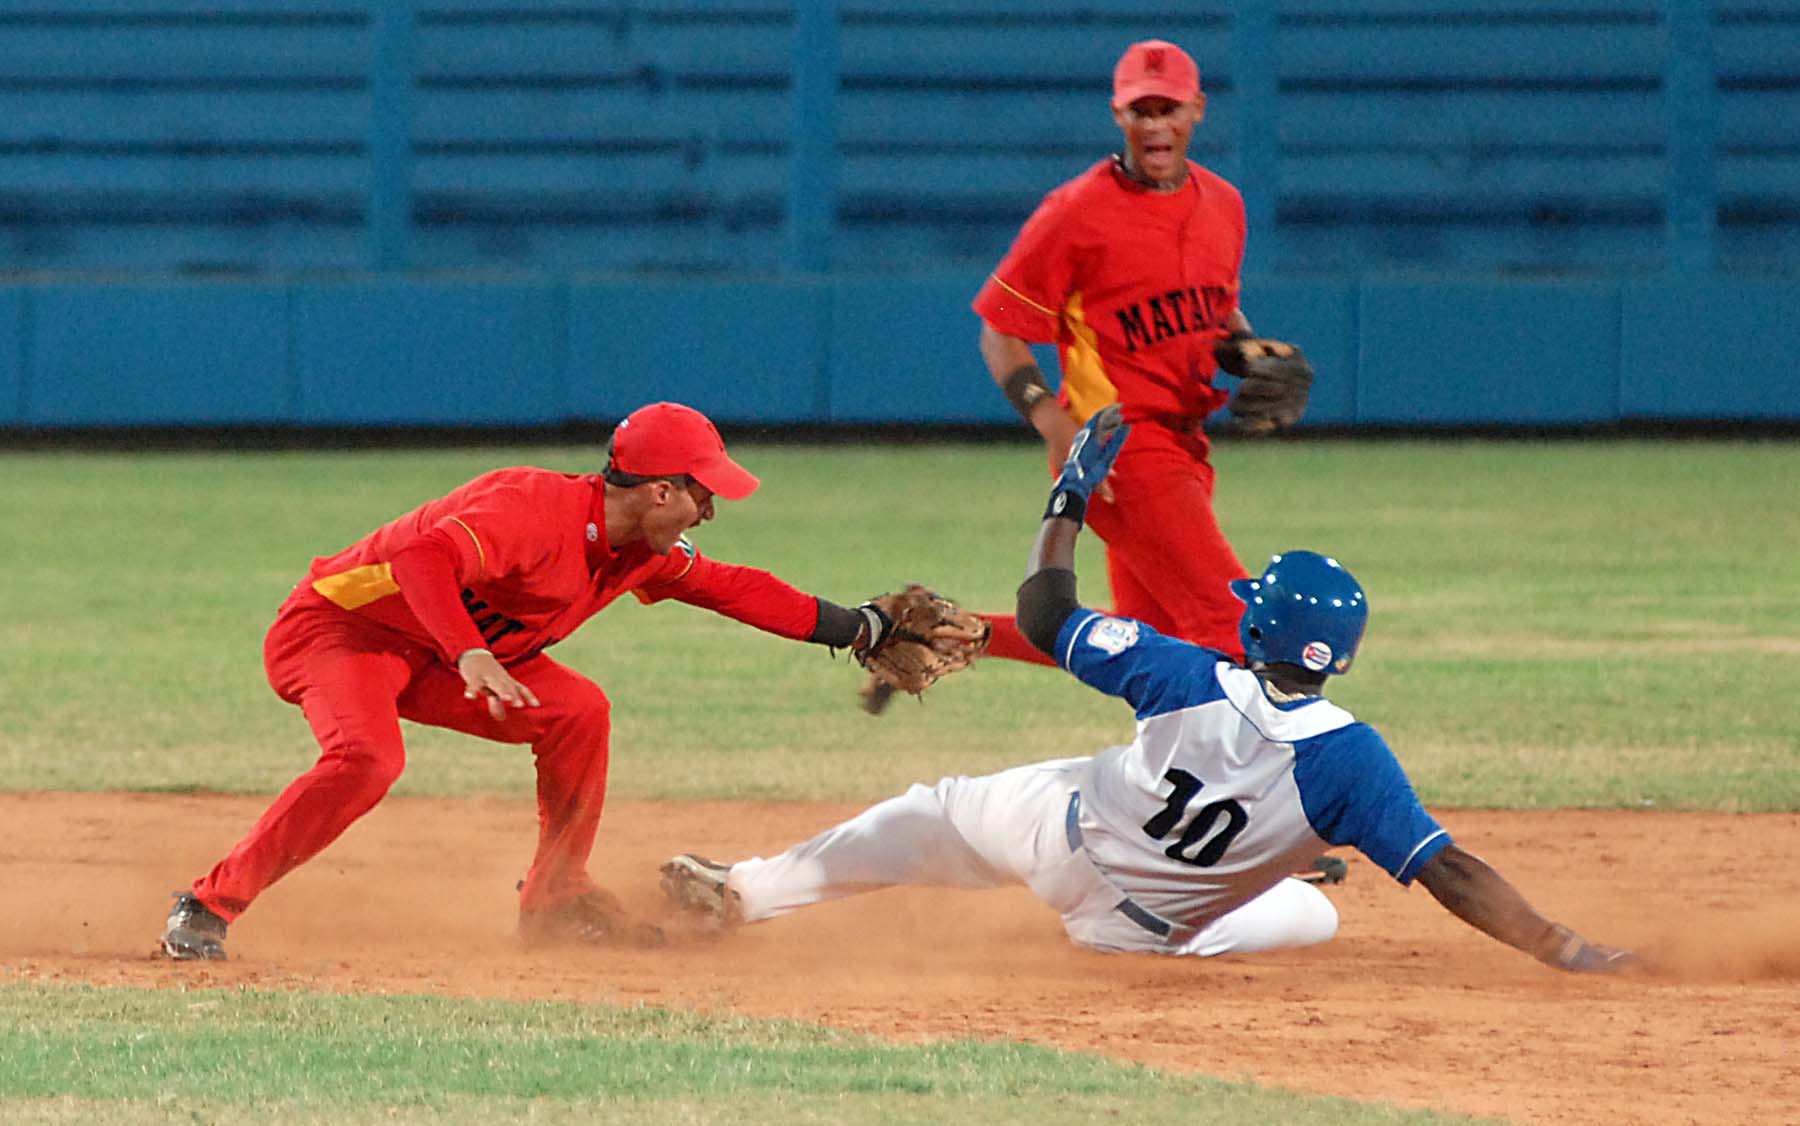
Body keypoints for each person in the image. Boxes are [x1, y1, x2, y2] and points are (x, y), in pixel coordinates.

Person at [664, 411, 1635, 972]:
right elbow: (1450, 871)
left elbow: (1046, 611)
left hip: (1061, 834)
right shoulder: (1354, 761)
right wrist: (1565, 947)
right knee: (1317, 915)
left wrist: (1068, 498)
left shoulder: (1187, 672)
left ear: (1258, 628)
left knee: (937, 813)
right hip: (1137, 933)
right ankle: (1278, 871)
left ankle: (748, 890)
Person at [159, 401, 906, 961]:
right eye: (699, 491)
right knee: (368, 758)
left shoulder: (638, 551)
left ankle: (555, 899)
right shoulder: (532, 509)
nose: (710, 507)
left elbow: (733, 586)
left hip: (443, 655)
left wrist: (858, 628)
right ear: (655, 492)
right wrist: (469, 654)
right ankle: (205, 906)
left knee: (579, 712)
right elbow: (422, 562)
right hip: (342, 631)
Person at [860, 38, 1306, 716]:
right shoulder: (1075, 213)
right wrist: (1048, 416)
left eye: (1169, 109)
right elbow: (999, 328)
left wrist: (1247, 351)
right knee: (1241, 632)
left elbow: (1214, 311)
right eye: (1140, 110)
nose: (1155, 125)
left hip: (1187, 445)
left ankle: (930, 632)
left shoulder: (1224, 204)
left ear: (1198, 110)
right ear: (1117, 115)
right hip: (1121, 448)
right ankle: (1293, 800)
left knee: (1149, 644)